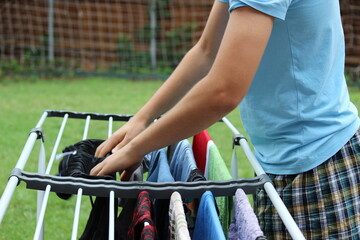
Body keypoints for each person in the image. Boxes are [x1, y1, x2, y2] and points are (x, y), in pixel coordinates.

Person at [91, 0, 360, 239]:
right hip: (292, 159)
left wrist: (138, 148)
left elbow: (224, 92)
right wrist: (142, 120)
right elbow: (207, 51)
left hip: (316, 165)